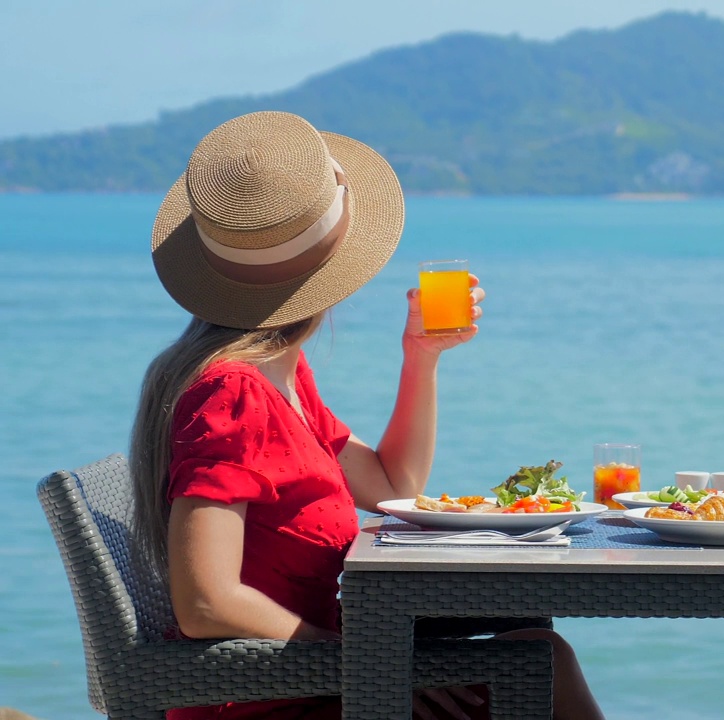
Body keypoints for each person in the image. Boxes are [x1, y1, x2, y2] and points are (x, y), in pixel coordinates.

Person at [130, 111, 604, 720]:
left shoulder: (282, 372)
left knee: (540, 651)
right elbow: (206, 603)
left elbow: (391, 486)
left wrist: (421, 358)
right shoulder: (235, 394)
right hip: (278, 697)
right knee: (542, 664)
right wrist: (373, 662)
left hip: (321, 673)